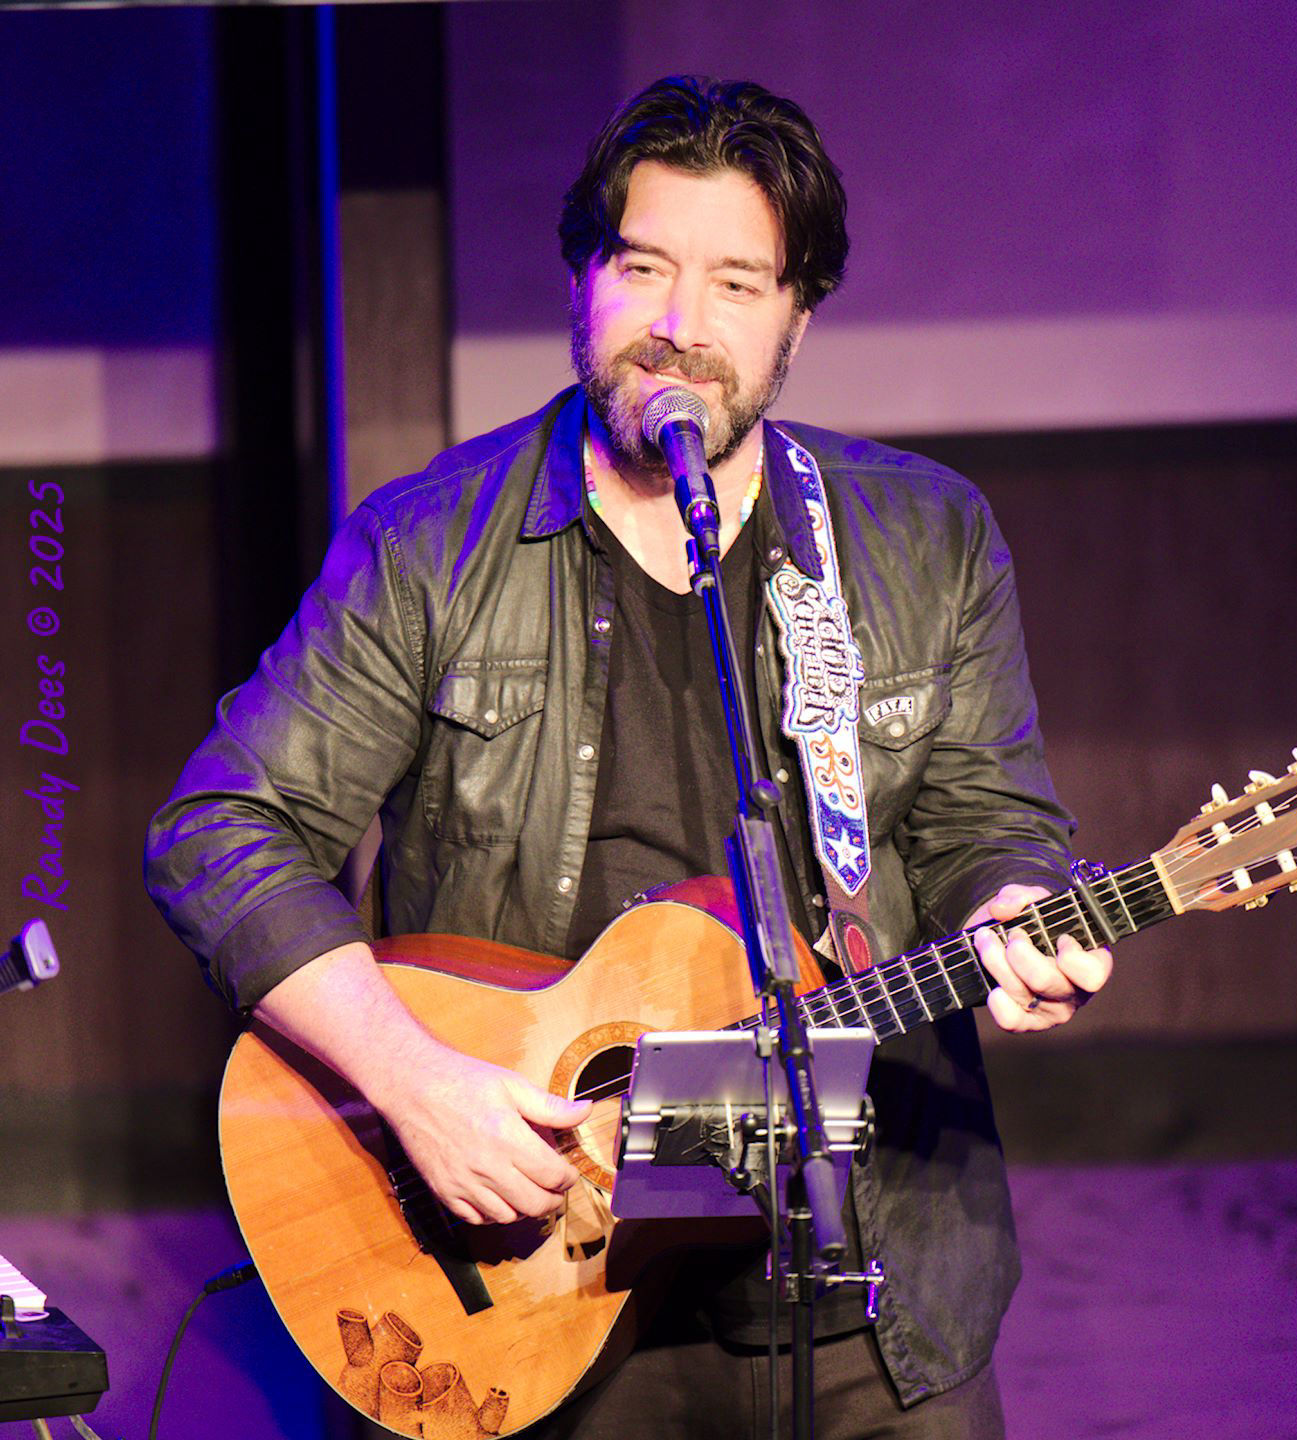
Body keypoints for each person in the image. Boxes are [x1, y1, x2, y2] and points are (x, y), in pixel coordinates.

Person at [145, 75, 1112, 1439]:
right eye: (642, 266)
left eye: (737, 283)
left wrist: (1011, 903)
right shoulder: (430, 546)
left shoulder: (924, 539)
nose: (682, 328)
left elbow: (985, 818)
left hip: (866, 1287)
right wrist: (417, 1085)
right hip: (526, 1273)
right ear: (582, 280)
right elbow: (218, 827)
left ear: (799, 317)